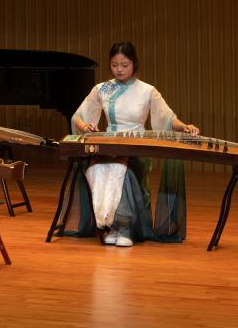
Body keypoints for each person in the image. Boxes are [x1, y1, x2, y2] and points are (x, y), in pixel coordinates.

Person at [70, 41, 197, 247]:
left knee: (123, 170)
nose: (119, 69)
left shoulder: (147, 90)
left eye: (124, 65)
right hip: (109, 145)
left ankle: (124, 227)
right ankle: (111, 225)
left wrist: (184, 127)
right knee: (96, 169)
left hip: (137, 146)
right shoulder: (103, 89)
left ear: (134, 64)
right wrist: (85, 126)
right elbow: (78, 116)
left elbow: (167, 118)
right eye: (114, 65)